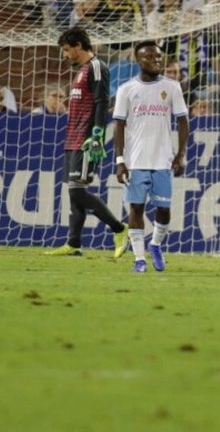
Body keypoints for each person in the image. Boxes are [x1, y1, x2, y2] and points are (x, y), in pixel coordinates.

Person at [45, 26, 129, 257]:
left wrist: (97, 135)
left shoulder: (96, 66)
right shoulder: (81, 70)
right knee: (75, 193)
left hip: (85, 139)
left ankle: (120, 229)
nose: (64, 55)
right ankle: (74, 243)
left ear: (78, 46)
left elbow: (103, 101)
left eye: (66, 50)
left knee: (77, 192)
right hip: (72, 139)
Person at [112, 41, 189, 273]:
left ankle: (155, 245)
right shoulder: (126, 89)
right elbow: (119, 126)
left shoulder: (172, 87)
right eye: (150, 57)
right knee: (135, 209)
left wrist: (180, 155)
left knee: (163, 210)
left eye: (158, 57)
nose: (156, 60)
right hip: (135, 162)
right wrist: (120, 161)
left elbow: (183, 121)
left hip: (163, 160)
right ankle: (139, 259)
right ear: (138, 60)